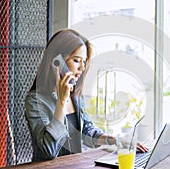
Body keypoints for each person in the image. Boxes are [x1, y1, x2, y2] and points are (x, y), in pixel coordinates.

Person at [25, 29, 147, 161]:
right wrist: (61, 102)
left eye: (84, 61)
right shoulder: (35, 101)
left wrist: (117, 141)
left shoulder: (75, 95)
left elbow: (87, 132)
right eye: (77, 60)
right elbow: (49, 151)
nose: (82, 68)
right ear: (57, 61)